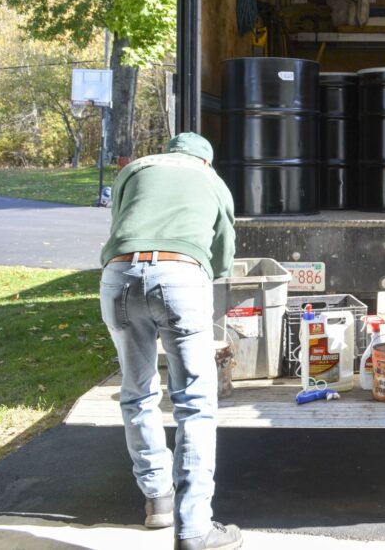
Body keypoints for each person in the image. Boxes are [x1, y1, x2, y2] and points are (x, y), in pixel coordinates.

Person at [99, 132, 241, 550]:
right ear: (205, 161)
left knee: (137, 392)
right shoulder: (212, 180)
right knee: (194, 402)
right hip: (180, 274)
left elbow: (121, 227)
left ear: (169, 152)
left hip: (119, 275)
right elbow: (223, 254)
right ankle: (195, 528)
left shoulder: (136, 169)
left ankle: (157, 500)